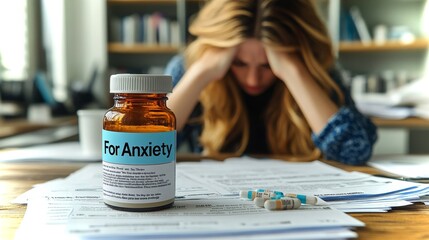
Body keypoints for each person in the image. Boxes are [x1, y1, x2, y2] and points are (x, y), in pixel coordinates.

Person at [165, 0, 377, 165]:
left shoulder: (316, 72)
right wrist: (201, 73)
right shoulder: (188, 69)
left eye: (267, 65)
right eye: (239, 63)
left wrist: (293, 72)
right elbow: (139, 150)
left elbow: (355, 152)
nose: (253, 79)